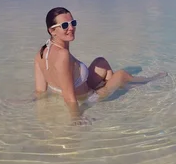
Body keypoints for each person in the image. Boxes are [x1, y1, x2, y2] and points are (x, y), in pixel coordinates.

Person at [34, 7, 166, 124]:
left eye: (73, 23)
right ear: (52, 30)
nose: (71, 28)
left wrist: (33, 102)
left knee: (100, 62)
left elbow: (40, 90)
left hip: (78, 88)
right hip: (87, 97)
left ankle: (116, 87)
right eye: (64, 25)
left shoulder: (42, 51)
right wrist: (76, 117)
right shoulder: (62, 55)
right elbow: (69, 96)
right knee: (121, 75)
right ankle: (149, 80)